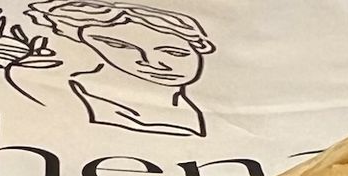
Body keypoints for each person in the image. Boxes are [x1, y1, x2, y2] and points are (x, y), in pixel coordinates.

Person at [21, 1, 215, 136]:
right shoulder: (64, 97)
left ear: (199, 49)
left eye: (174, 52)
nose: (152, 62)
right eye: (120, 47)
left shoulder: (199, 112)